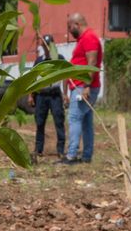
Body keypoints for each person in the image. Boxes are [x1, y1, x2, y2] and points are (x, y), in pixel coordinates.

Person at [61, 12, 102, 164]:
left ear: (76, 24)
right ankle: (86, 156)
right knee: (85, 122)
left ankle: (71, 155)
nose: (69, 31)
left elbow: (92, 62)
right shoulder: (83, 39)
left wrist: (87, 86)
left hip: (83, 87)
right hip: (79, 86)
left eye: (69, 27)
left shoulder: (89, 38)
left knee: (74, 118)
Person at [30, 33, 64, 161]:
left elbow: (65, 77)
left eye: (48, 45)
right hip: (41, 96)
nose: (46, 47)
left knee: (59, 121)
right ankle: (38, 150)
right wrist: (31, 95)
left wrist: (65, 94)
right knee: (39, 122)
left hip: (55, 95)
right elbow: (32, 78)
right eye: (44, 45)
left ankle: (60, 150)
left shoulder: (59, 59)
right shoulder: (39, 61)